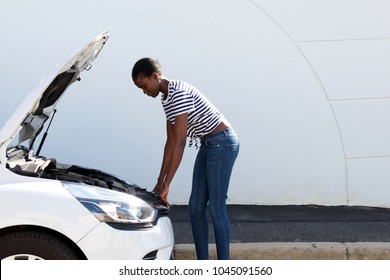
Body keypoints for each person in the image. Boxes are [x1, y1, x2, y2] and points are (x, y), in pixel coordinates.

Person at [131, 57, 239, 260]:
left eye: (144, 86)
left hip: (223, 143)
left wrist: (167, 184)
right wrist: (159, 181)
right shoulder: (166, 98)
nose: (144, 92)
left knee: (215, 207)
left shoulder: (178, 93)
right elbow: (170, 143)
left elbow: (180, 143)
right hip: (208, 145)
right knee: (196, 208)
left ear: (155, 77)